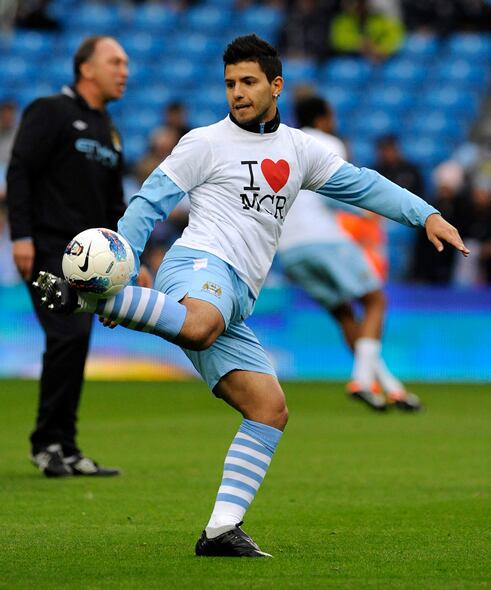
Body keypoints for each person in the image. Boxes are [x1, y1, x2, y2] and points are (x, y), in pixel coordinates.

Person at [33, 34, 469, 556]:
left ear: (275, 85)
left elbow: (364, 186)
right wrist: (119, 272)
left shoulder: (301, 150)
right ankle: (84, 298)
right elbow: (149, 202)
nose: (237, 93)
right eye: (230, 84)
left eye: (248, 82)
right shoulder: (204, 142)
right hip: (197, 268)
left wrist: (428, 214)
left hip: (238, 296)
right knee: (198, 322)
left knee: (269, 408)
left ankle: (220, 531)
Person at [6, 35, 145, 478]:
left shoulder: (110, 130)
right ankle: (47, 443)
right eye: (115, 61)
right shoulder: (50, 110)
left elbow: (113, 208)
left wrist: (130, 263)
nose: (124, 70)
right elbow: (20, 170)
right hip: (48, 247)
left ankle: (64, 446)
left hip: (93, 261)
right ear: (87, 68)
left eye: (125, 63)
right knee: (67, 336)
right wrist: (21, 235)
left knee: (76, 341)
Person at [278, 96, 420, 411]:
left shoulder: (284, 143)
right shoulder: (328, 142)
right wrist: (366, 211)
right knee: (374, 301)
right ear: (324, 118)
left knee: (344, 314)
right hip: (324, 239)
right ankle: (361, 380)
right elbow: (334, 190)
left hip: (288, 249)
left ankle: (390, 387)